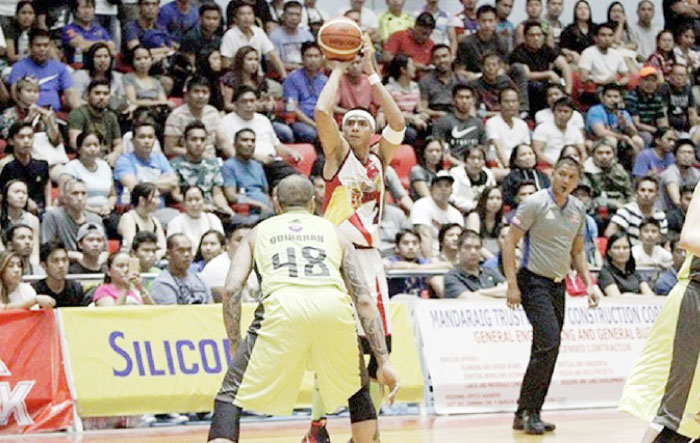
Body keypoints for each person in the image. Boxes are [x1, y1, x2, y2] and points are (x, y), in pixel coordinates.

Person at [207, 174, 398, 443]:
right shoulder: (335, 232)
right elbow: (364, 300)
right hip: (334, 308)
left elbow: (231, 290)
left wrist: (236, 345)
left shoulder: (258, 231)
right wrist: (384, 361)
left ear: (276, 203)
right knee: (358, 390)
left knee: (230, 396)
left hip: (281, 308)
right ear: (312, 203)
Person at [310, 44, 405, 440]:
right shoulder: (337, 157)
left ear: (372, 131)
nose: (351, 128)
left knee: (381, 348)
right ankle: (319, 424)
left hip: (372, 261)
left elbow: (397, 123)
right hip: (340, 260)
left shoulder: (379, 160)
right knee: (346, 349)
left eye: (359, 123)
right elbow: (320, 113)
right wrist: (336, 69)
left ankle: (366, 428)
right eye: (347, 123)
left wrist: (372, 75)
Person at [503, 156, 598, 435]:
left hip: (559, 285)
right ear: (552, 174)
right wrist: (512, 285)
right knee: (548, 343)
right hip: (533, 282)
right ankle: (530, 411)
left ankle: (526, 412)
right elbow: (509, 243)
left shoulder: (577, 209)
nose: (565, 180)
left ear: (577, 181)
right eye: (562, 174)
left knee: (549, 348)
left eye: (571, 177)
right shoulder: (534, 203)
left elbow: (578, 251)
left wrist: (589, 283)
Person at [0, 76, 66, 182]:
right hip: (19, 158)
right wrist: (28, 119)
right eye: (28, 91)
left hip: (47, 159)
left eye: (36, 91)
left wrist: (51, 123)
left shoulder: (45, 112)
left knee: (64, 176)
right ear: (18, 93)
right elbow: (9, 138)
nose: (32, 95)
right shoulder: (8, 114)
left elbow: (56, 141)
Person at [9, 27, 80, 112]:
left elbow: (71, 93)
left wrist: (79, 113)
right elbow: (15, 96)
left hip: (54, 115)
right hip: (28, 114)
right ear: (30, 47)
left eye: (46, 45)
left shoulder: (60, 67)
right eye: (38, 45)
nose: (42, 49)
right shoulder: (19, 67)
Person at [170, 121, 233, 216]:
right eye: (194, 139)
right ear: (184, 142)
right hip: (187, 210)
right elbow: (176, 195)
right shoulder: (174, 165)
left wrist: (227, 210)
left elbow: (217, 194)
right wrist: (199, 206)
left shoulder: (213, 164)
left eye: (202, 140)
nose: (198, 143)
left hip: (211, 210)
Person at [509, 20, 571, 115]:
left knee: (557, 88)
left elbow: (565, 66)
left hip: (545, 84)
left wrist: (568, 92)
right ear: (525, 37)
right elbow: (527, 75)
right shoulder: (518, 52)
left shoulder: (545, 49)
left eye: (539, 35)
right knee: (536, 87)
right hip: (527, 88)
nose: (536, 38)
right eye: (532, 35)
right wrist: (548, 74)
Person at [164, 75, 233, 159]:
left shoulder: (212, 112)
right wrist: (198, 155)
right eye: (196, 91)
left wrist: (237, 160)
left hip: (212, 162)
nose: (201, 96)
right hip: (186, 162)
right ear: (188, 94)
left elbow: (223, 142)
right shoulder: (177, 116)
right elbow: (169, 149)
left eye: (205, 92)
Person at [220, 1, 286, 79]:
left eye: (249, 14)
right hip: (237, 78)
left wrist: (284, 76)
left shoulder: (259, 31)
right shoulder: (229, 35)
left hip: (259, 77)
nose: (246, 17)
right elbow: (225, 63)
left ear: (254, 17)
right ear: (235, 19)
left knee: (277, 89)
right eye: (242, 14)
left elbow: (273, 55)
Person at [61, 130, 117, 220]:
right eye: (88, 145)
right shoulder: (70, 168)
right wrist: (95, 211)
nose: (93, 149)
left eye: (96, 145)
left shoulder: (105, 166)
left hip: (106, 213)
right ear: (79, 149)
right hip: (81, 214)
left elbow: (112, 195)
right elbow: (64, 199)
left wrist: (108, 206)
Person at [41, 178, 105, 258]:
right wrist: (78, 256)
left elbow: (105, 251)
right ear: (65, 197)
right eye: (75, 193)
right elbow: (48, 250)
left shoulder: (96, 220)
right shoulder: (53, 216)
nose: (80, 198)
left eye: (83, 193)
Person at [67, 79, 123, 166]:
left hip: (107, 158)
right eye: (97, 93)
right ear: (88, 95)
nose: (102, 97)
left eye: (105, 94)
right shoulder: (78, 114)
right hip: (86, 159)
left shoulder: (111, 116)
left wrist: (114, 154)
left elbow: (119, 143)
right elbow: (75, 143)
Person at [409, 170, 464, 258]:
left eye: (447, 186)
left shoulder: (456, 215)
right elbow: (424, 236)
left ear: (452, 190)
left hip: (448, 259)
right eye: (439, 186)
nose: (443, 189)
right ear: (431, 189)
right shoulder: (422, 205)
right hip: (423, 258)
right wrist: (431, 262)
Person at [222, 128, 273, 220]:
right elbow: (231, 196)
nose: (249, 144)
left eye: (252, 141)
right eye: (245, 140)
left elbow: (265, 193)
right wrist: (258, 204)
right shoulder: (229, 165)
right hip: (246, 212)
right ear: (235, 144)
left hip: (266, 210)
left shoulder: (258, 166)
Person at [0, 122, 51, 213]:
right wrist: (27, 202)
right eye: (21, 137)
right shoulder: (5, 165)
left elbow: (47, 183)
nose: (26, 141)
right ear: (11, 141)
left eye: (30, 137)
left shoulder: (41, 163)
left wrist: (49, 206)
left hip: (40, 208)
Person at [282, 41, 327, 143]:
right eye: (309, 56)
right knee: (311, 133)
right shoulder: (292, 78)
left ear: (321, 58)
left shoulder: (324, 80)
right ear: (302, 58)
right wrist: (314, 125)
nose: (313, 60)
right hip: (300, 121)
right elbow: (293, 108)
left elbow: (328, 106)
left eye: (316, 56)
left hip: (320, 120)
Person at [433, 84, 486, 167]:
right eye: (460, 97)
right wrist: (462, 165)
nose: (464, 101)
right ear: (454, 100)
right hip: (451, 166)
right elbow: (441, 151)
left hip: (475, 165)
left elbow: (483, 148)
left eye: (468, 97)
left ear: (473, 101)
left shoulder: (478, 123)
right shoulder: (443, 121)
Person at [151, 233, 213, 305]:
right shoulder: (163, 283)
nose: (186, 254)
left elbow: (211, 308)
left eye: (189, 250)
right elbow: (172, 314)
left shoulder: (200, 279)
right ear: (168, 254)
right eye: (181, 250)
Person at [606, 176, 669, 244]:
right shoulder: (627, 210)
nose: (646, 194)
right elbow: (609, 233)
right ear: (636, 193)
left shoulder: (660, 216)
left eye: (651, 191)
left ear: (657, 195)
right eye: (642, 190)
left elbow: (663, 241)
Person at [200, 223, 256, 302]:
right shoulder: (215, 267)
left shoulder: (258, 264)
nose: (244, 244)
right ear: (227, 243)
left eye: (249, 240)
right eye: (239, 240)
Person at [444, 229, 506, 299]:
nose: (473, 252)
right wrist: (497, 292)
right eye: (468, 247)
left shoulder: (490, 271)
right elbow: (468, 298)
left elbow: (510, 291)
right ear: (459, 250)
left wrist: (481, 292)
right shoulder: (452, 276)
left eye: (477, 248)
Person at [455, 5, 510, 81]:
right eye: (483, 21)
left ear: (496, 21)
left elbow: (505, 66)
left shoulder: (502, 41)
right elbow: (459, 71)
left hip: (496, 78)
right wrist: (471, 76)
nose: (487, 25)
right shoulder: (466, 42)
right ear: (477, 21)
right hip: (474, 79)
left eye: (490, 21)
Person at [383, 55, 428, 145]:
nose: (414, 68)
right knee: (410, 134)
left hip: (413, 120)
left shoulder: (415, 86)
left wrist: (423, 115)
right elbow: (392, 113)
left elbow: (419, 109)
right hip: (398, 123)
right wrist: (413, 119)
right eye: (411, 65)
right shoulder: (389, 89)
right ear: (403, 70)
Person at [383, 228, 442, 298]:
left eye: (414, 243)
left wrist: (421, 267)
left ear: (420, 247)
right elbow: (390, 265)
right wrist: (420, 267)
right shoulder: (390, 260)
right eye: (406, 243)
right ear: (397, 248)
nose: (411, 247)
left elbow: (448, 266)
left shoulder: (422, 262)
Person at [166, 186, 225, 255]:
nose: (194, 204)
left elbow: (220, 245)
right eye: (189, 200)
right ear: (184, 203)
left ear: (203, 201)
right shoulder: (175, 222)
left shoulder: (212, 219)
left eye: (197, 199)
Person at [71, 42, 127, 112]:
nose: (103, 60)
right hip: (87, 112)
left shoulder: (118, 77)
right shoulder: (80, 75)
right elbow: (75, 101)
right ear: (91, 59)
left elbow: (123, 100)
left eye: (106, 56)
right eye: (98, 57)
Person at [117, 182, 167, 260]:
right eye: (155, 197)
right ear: (142, 200)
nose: (159, 202)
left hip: (153, 261)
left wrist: (154, 257)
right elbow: (131, 246)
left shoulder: (155, 221)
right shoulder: (128, 218)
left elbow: (163, 247)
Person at [33, 240, 90, 307]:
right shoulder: (34, 291)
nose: (61, 265)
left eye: (64, 260)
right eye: (55, 261)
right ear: (44, 265)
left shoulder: (76, 289)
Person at [532, 97, 585, 168]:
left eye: (566, 111)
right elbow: (537, 152)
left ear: (572, 114)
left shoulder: (575, 130)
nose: (562, 114)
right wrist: (555, 164)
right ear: (554, 112)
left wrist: (580, 165)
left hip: (572, 165)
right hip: (549, 165)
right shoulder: (542, 128)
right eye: (559, 111)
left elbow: (583, 152)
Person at [598, 232, 655, 297]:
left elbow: (650, 295)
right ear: (609, 252)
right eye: (616, 248)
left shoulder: (633, 271)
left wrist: (629, 295)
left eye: (625, 248)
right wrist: (638, 296)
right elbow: (615, 297)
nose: (621, 251)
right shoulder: (605, 272)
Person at [485, 87, 530, 168]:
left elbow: (526, 149)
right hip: (499, 164)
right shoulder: (492, 123)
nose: (511, 105)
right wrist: (508, 167)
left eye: (514, 101)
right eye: (507, 101)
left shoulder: (522, 124)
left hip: (519, 164)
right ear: (499, 104)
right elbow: (498, 148)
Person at [61, 0, 115, 65]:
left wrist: (87, 43)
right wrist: (103, 43)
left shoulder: (100, 29)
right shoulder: (69, 29)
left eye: (90, 7)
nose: (87, 11)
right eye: (83, 7)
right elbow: (81, 46)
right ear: (75, 11)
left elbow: (112, 50)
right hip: (78, 69)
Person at [625, 66, 669, 147]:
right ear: (639, 81)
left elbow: (662, 121)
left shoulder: (657, 98)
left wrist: (666, 132)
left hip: (652, 129)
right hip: (635, 131)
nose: (650, 83)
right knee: (647, 136)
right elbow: (637, 124)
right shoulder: (631, 97)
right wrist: (656, 131)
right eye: (646, 80)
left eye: (653, 81)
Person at [418, 44, 466, 118]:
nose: (441, 60)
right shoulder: (425, 81)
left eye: (444, 56)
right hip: (435, 117)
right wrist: (438, 114)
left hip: (457, 115)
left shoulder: (460, 80)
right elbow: (422, 108)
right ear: (433, 61)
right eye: (437, 58)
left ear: (451, 58)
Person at [578, 23, 630, 89]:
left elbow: (626, 76)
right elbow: (583, 77)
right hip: (595, 87)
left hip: (613, 87)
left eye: (610, 35)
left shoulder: (616, 54)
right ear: (595, 38)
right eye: (603, 35)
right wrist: (603, 82)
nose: (607, 38)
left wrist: (618, 84)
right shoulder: (588, 53)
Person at [0, 180, 40, 262]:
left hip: (26, 263)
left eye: (24, 193)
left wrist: (35, 272)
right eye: (16, 192)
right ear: (6, 197)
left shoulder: (33, 220)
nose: (21, 196)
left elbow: (35, 253)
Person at [449, 145, 496, 214]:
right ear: (465, 160)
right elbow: (451, 197)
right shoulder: (455, 173)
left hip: (484, 212)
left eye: (480, 158)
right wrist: (472, 206)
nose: (476, 162)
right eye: (472, 158)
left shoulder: (489, 174)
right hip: (461, 212)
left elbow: (494, 194)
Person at [123, 45, 170, 111]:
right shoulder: (127, 78)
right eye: (138, 59)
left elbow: (163, 101)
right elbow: (132, 101)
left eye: (146, 58)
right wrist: (157, 103)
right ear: (132, 61)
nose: (143, 62)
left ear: (151, 60)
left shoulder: (156, 82)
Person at [269, 0, 313, 71]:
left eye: (297, 15)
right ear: (283, 16)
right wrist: (296, 67)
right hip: (284, 73)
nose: (294, 18)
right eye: (291, 14)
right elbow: (272, 63)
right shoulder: (275, 36)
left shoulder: (307, 35)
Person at [465, 185, 505, 258]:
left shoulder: (502, 219)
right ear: (483, 200)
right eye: (491, 198)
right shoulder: (474, 217)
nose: (495, 202)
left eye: (498, 198)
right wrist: (493, 260)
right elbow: (473, 242)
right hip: (479, 257)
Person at [661, 139, 700, 210]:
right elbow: (677, 202)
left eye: (690, 152)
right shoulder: (670, 173)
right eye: (682, 152)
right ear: (675, 156)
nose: (686, 155)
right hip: (669, 211)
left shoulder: (695, 173)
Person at [559, 0, 594, 65]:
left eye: (586, 8)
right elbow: (562, 48)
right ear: (575, 12)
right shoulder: (569, 30)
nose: (583, 11)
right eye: (580, 9)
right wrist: (572, 53)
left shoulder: (596, 28)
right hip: (576, 62)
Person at [409, 136, 444, 201]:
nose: (434, 154)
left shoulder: (443, 172)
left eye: (438, 151)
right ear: (424, 154)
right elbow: (427, 197)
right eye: (430, 151)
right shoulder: (417, 170)